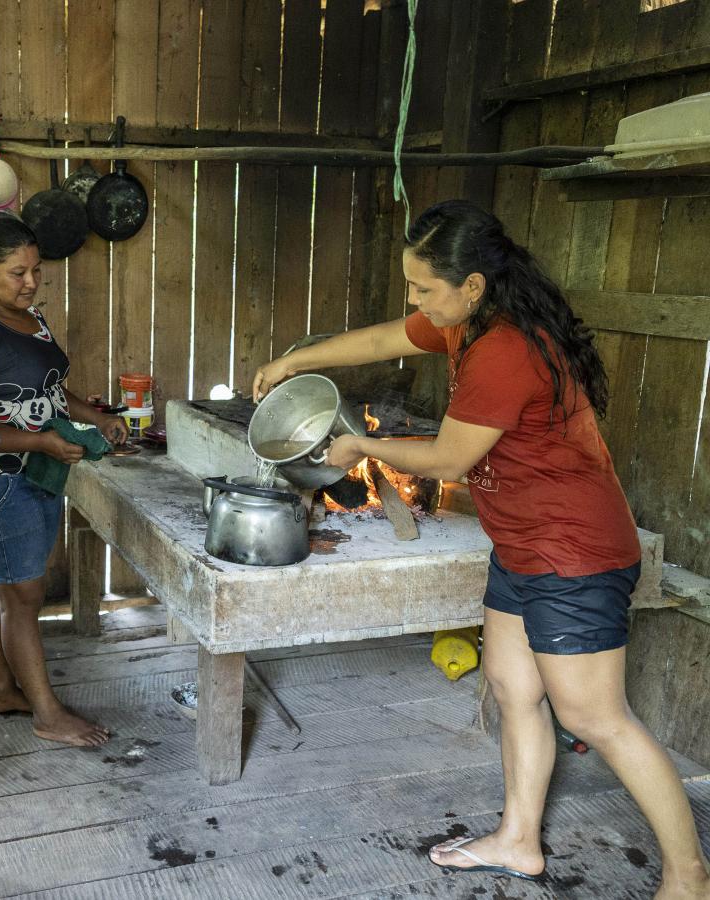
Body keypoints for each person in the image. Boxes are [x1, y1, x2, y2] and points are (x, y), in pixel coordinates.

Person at [253, 199, 710, 899]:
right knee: (512, 685)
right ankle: (520, 842)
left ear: (472, 285)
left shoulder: (505, 349)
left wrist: (359, 445)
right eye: (410, 287)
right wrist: (295, 360)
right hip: (523, 546)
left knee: (594, 716)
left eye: (423, 288)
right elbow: (381, 341)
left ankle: (689, 876)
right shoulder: (467, 323)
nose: (414, 302)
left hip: (574, 552)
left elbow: (448, 458)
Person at [0, 212, 127, 748]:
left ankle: (1, 688)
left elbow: (53, 391)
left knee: (13, 590)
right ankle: (48, 713)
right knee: (23, 596)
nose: (29, 283)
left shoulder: (33, 320)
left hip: (40, 475)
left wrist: (97, 416)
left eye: (35, 271)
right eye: (16, 274)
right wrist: (41, 440)